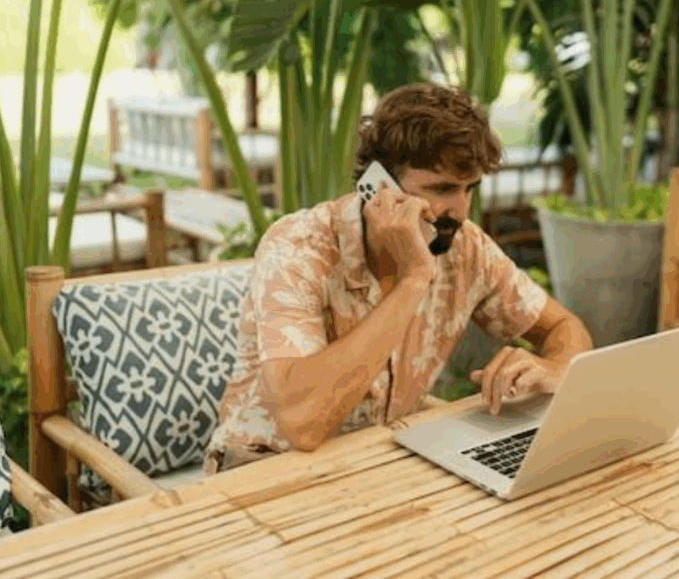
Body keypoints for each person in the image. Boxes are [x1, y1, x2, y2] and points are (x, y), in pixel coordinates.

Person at [204, 83, 594, 474]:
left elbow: (563, 327)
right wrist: (414, 277)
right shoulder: (299, 248)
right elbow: (302, 425)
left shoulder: (466, 248)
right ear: (379, 186)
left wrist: (559, 367)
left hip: (373, 461)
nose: (459, 211)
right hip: (262, 467)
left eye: (469, 189)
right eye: (442, 189)